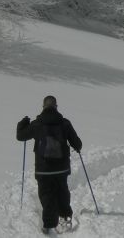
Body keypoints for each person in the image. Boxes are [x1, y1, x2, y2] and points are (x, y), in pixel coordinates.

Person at [16, 96, 82, 235]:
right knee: (62, 191)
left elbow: (20, 136)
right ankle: (65, 218)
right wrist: (75, 145)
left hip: (43, 169)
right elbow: (78, 144)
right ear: (56, 106)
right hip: (61, 168)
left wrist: (22, 124)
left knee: (46, 195)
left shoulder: (37, 124)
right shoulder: (65, 124)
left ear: (43, 107)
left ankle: (48, 225)